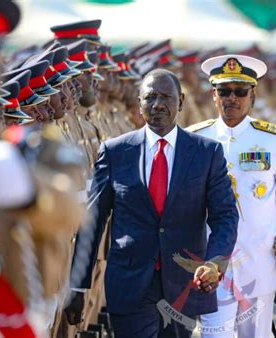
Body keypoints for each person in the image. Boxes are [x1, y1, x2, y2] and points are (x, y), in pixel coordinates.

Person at [65, 68, 239, 338]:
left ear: (180, 101)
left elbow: (226, 216)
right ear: (139, 102)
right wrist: (77, 285)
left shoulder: (207, 153)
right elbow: (92, 220)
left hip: (183, 285)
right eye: (150, 97)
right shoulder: (115, 152)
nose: (158, 104)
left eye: (166, 97)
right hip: (130, 286)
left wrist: (214, 264)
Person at [189, 54, 276, 337]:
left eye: (240, 91)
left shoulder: (274, 140)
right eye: (225, 91)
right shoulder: (195, 139)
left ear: (252, 94)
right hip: (211, 265)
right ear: (213, 94)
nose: (232, 98)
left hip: (260, 265)